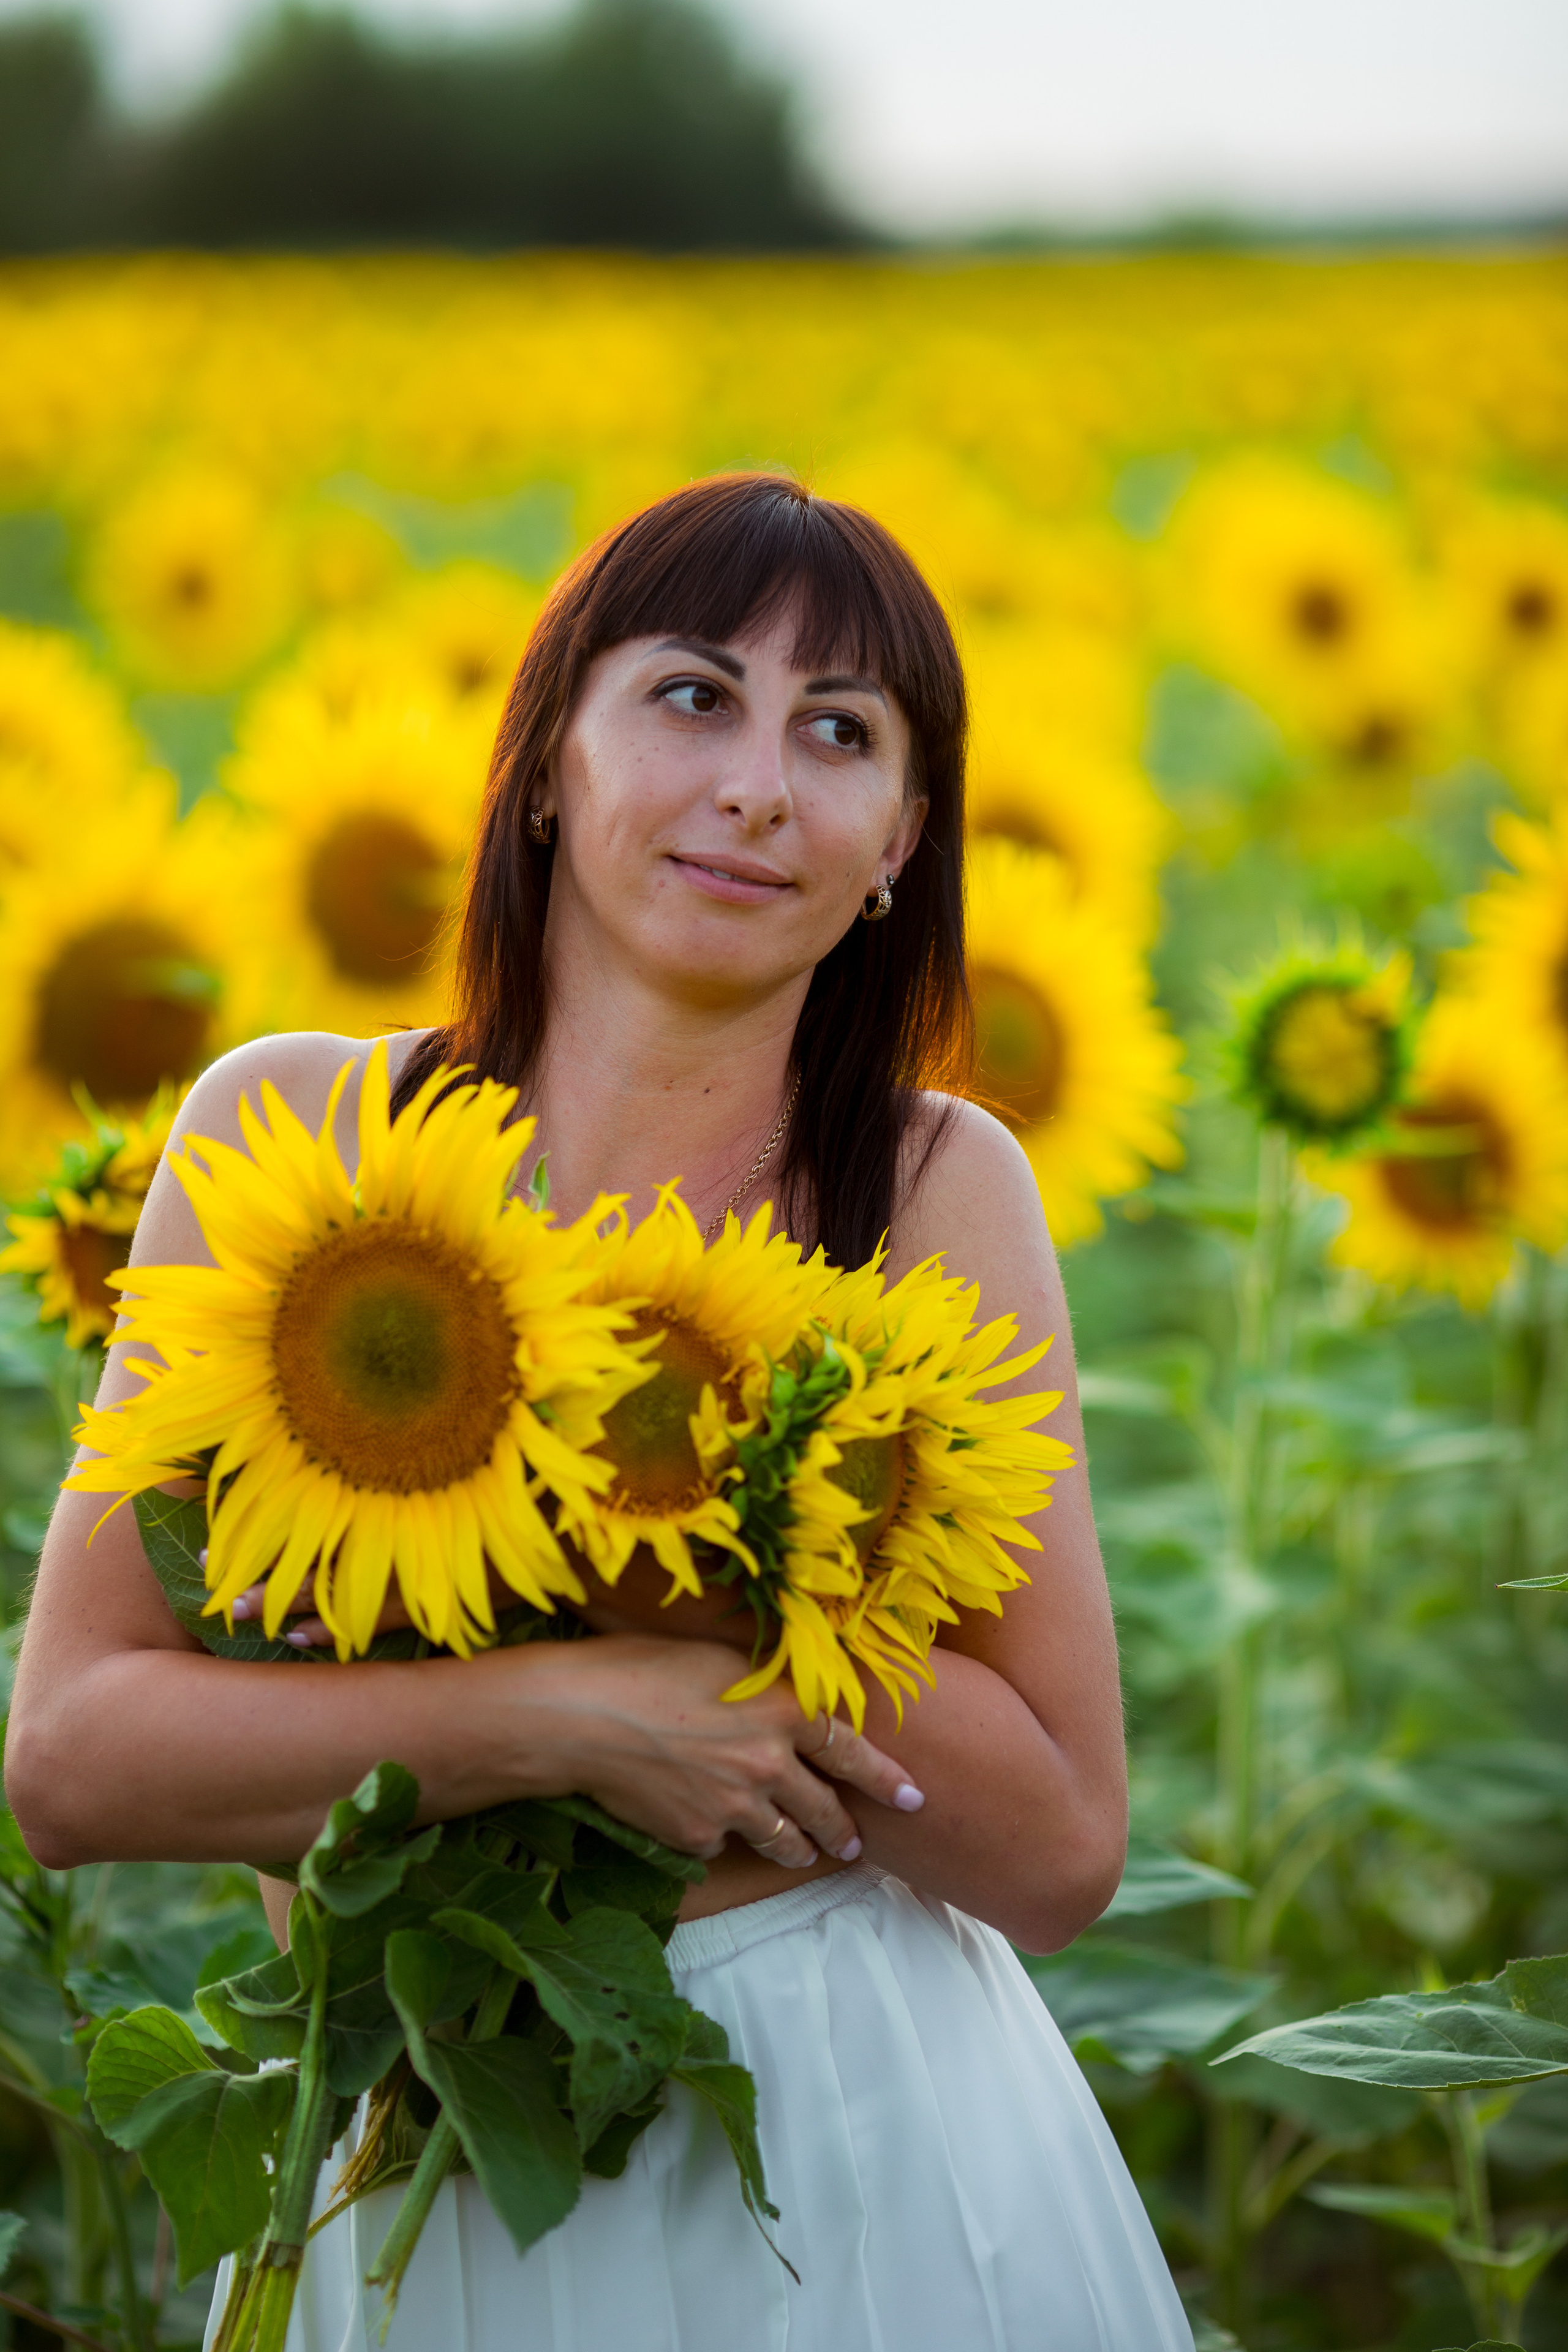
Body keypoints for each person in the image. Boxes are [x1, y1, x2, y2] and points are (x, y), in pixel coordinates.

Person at [7, 473, 1193, 2350]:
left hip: (849, 2139)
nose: (758, 786)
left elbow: (1056, 1840)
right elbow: (71, 1756)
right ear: (548, 754)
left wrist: (690, 1562)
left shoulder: (930, 1186)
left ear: (899, 840)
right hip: (398, 2133)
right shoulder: (291, 1138)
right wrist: (565, 1714)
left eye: (841, 734)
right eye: (694, 696)